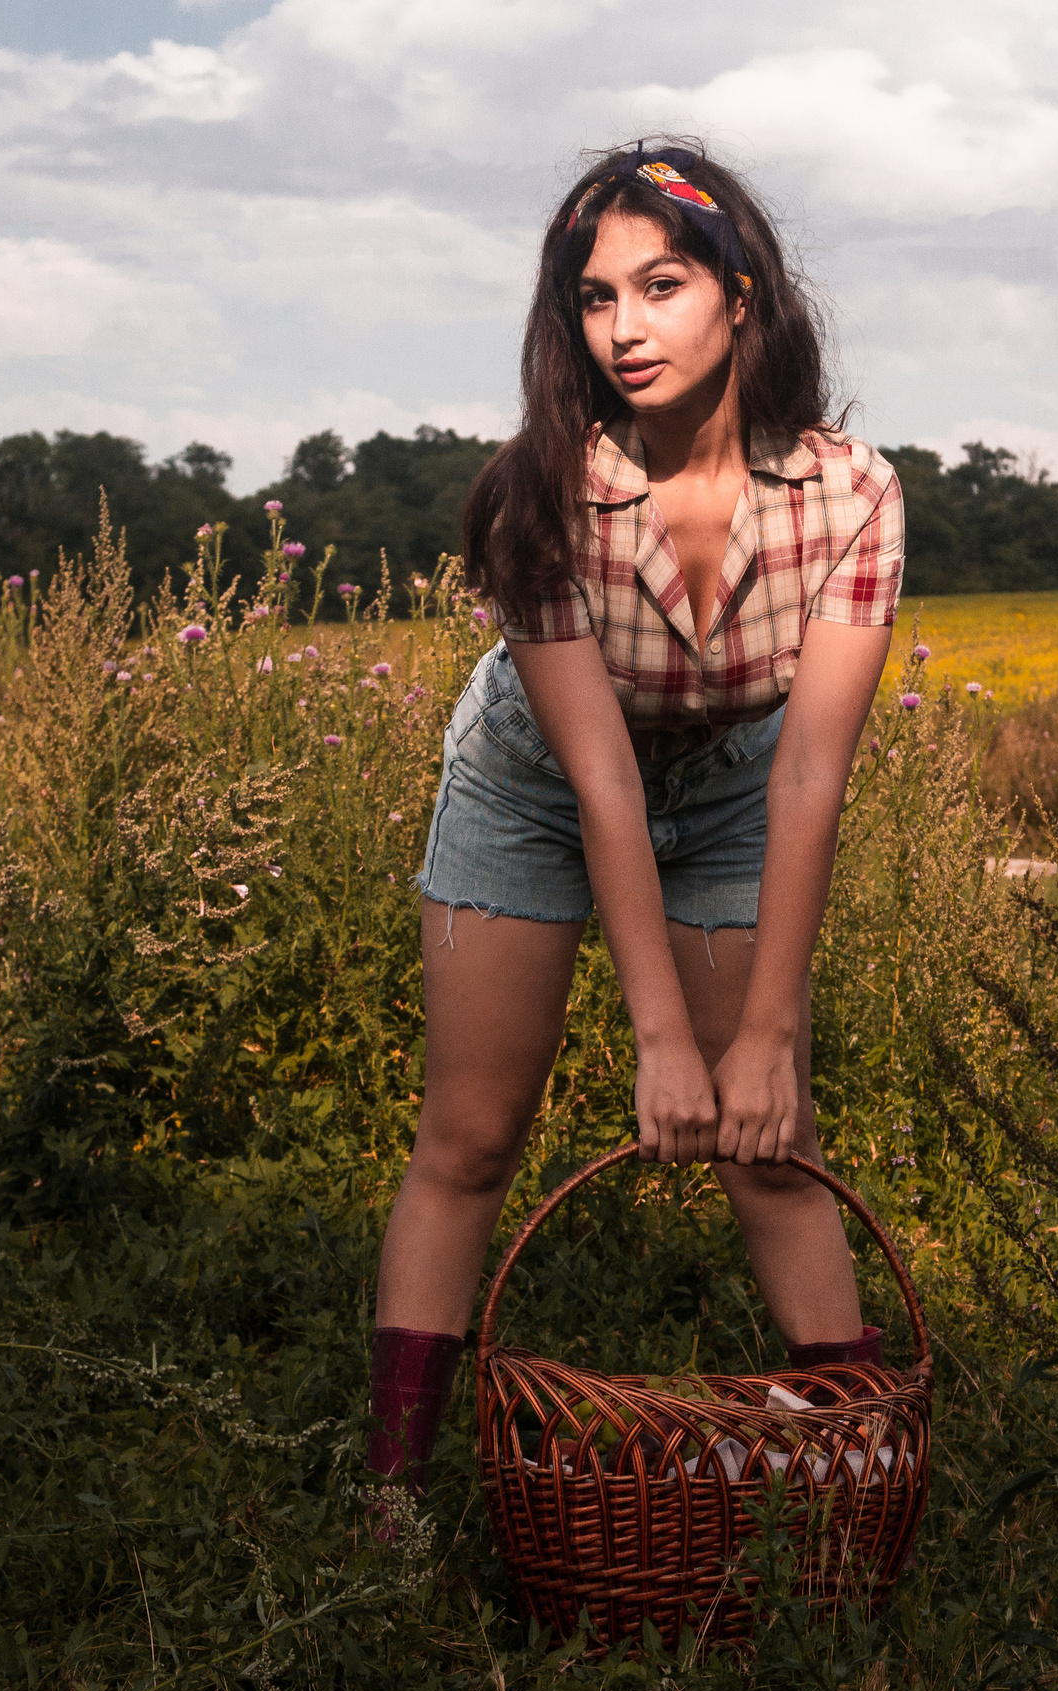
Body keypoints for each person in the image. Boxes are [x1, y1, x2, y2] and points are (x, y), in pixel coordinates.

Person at [366, 143, 905, 1493]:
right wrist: (655, 1037)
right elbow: (599, 776)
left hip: (737, 786)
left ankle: (858, 1472)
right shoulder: (537, 498)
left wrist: (762, 1039)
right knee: (472, 1136)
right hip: (536, 788)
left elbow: (810, 775)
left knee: (769, 1137)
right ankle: (388, 1491)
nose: (625, 329)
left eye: (660, 286)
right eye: (596, 299)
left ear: (741, 294)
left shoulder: (856, 494)